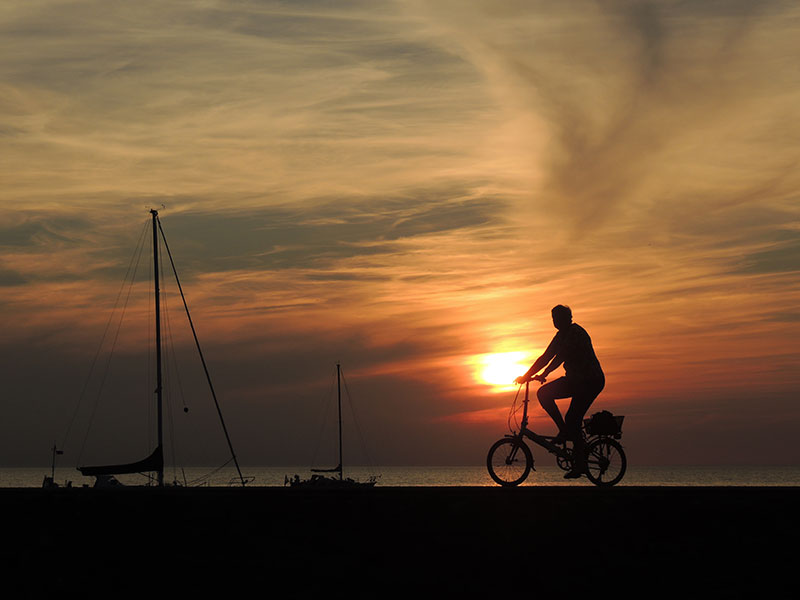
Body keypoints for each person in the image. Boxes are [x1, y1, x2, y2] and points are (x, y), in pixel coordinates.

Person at [515, 305, 604, 479]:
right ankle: (565, 431)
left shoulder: (575, 333)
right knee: (544, 394)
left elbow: (560, 357)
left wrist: (545, 374)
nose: (554, 321)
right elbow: (545, 356)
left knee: (573, 417)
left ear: (567, 318)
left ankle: (579, 463)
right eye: (553, 318)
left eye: (557, 317)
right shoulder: (560, 336)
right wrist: (526, 376)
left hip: (590, 381)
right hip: (575, 380)